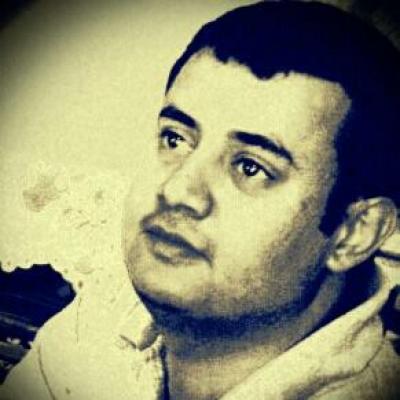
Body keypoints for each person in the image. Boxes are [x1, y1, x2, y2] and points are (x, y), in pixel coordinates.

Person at [1, 1, 400, 399]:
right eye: (175, 139)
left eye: (250, 167)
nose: (177, 190)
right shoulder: (107, 313)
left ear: (355, 234)